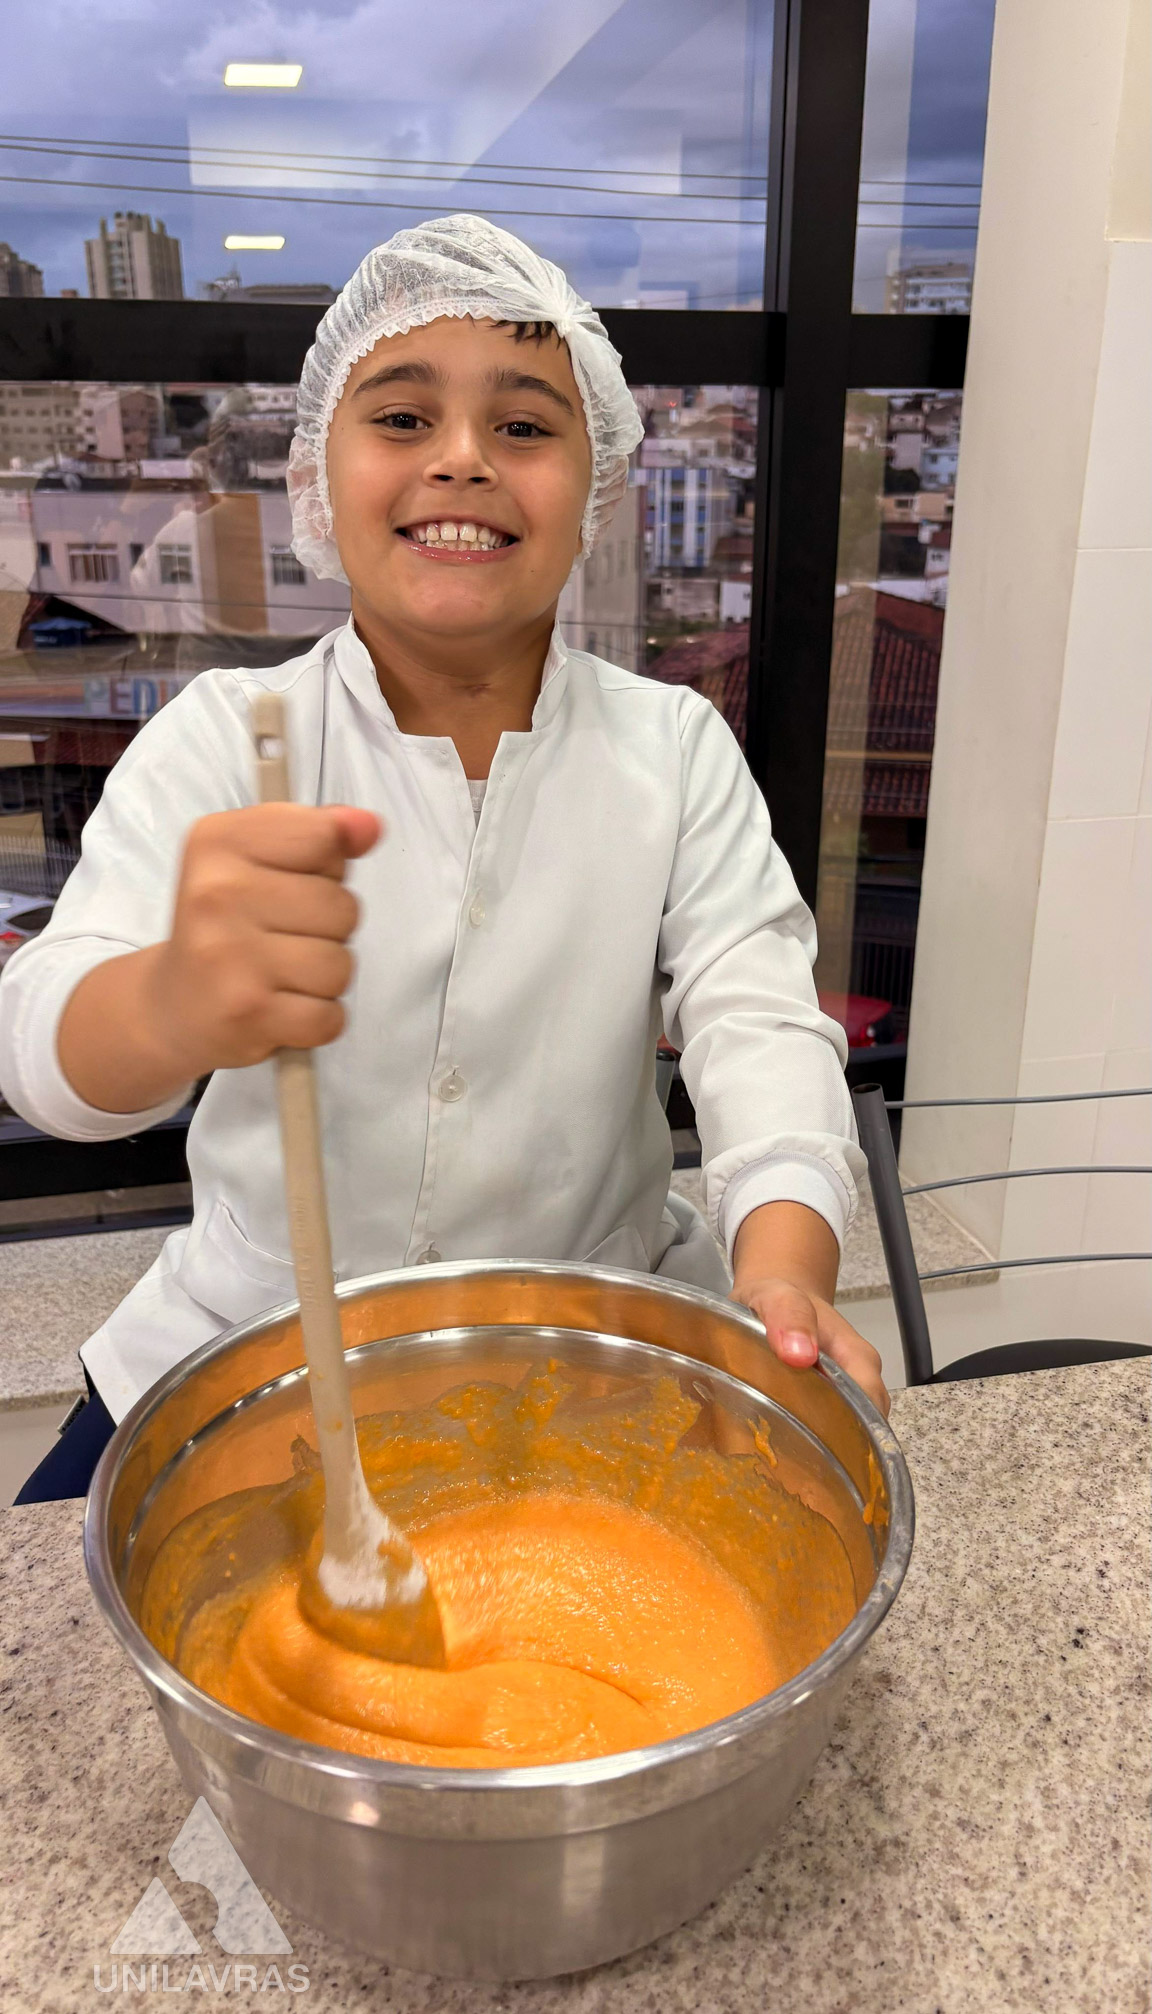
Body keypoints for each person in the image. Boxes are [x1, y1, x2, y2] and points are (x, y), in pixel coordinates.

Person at [1, 215, 886, 1504]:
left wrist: (785, 1274)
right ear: (320, 471)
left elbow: (760, 1026)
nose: (462, 458)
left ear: (597, 488)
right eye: (404, 418)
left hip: (592, 1348)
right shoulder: (225, 740)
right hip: (252, 1347)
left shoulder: (674, 749)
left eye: (523, 426)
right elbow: (45, 1061)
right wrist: (172, 998)